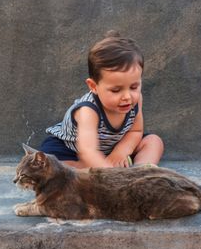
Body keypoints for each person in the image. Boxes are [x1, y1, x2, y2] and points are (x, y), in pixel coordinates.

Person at [40, 31, 164, 169]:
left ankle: (141, 169)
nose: (127, 96)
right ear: (94, 86)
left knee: (153, 142)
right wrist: (109, 173)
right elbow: (87, 151)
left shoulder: (136, 100)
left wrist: (120, 152)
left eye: (134, 87)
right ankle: (89, 172)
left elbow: (135, 131)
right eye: (116, 90)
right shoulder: (88, 110)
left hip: (112, 148)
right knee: (50, 163)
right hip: (75, 150)